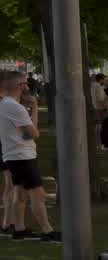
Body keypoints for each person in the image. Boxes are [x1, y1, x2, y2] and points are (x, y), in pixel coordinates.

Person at [0, 71, 60, 241]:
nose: (28, 87)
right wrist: (33, 108)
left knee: (20, 193)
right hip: (22, 156)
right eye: (25, 84)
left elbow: (28, 132)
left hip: (14, 155)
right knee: (37, 194)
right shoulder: (14, 107)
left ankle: (19, 229)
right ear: (20, 86)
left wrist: (33, 107)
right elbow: (34, 133)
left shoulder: (6, 104)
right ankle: (47, 231)